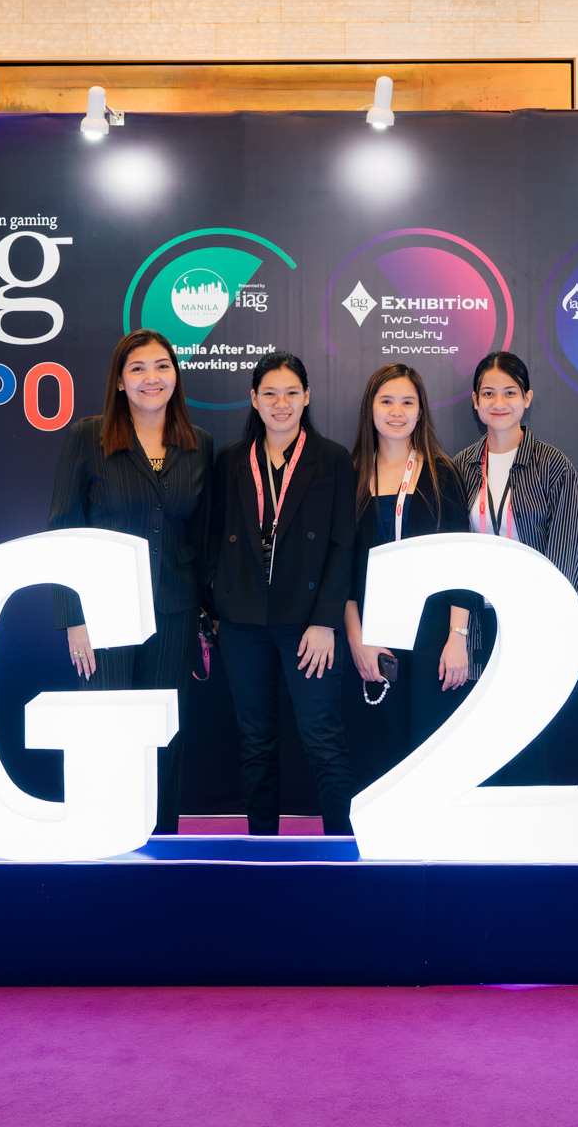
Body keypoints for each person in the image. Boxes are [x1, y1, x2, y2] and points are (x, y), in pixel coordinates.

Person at [46, 329, 214, 836]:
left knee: (163, 736)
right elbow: (62, 531)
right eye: (137, 368)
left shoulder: (198, 444)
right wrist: (73, 618)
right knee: (108, 730)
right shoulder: (88, 437)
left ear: (175, 376)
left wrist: (208, 616)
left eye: (161, 366)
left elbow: (203, 536)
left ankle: (161, 842)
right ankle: (105, 840)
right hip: (105, 615)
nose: (151, 378)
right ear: (120, 381)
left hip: (175, 614)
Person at [208, 352, 358, 835]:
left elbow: (344, 544)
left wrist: (325, 620)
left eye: (292, 393)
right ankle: (262, 848)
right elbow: (212, 538)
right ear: (254, 399)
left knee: (322, 739)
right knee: (255, 743)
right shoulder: (231, 460)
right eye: (270, 393)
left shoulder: (332, 459)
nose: (281, 403)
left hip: (307, 623)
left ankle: (342, 848)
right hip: (243, 624)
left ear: (307, 397)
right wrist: (217, 608)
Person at [450, 352, 578, 782]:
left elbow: (570, 552)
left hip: (534, 622)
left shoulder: (553, 466)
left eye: (510, 393)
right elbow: (454, 554)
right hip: (478, 623)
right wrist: (457, 631)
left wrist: (546, 621)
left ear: (527, 398)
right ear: (475, 401)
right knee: (479, 739)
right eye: (489, 393)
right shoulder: (460, 467)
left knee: (527, 739)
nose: (499, 403)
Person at [343, 363, 474, 779]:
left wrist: (457, 637)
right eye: (386, 401)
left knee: (428, 750)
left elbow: (460, 560)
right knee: (380, 754)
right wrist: (357, 640)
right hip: (373, 634)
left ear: (420, 411)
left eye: (407, 402)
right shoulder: (349, 475)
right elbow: (339, 569)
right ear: (370, 408)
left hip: (431, 633)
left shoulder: (440, 473)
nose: (396, 411)